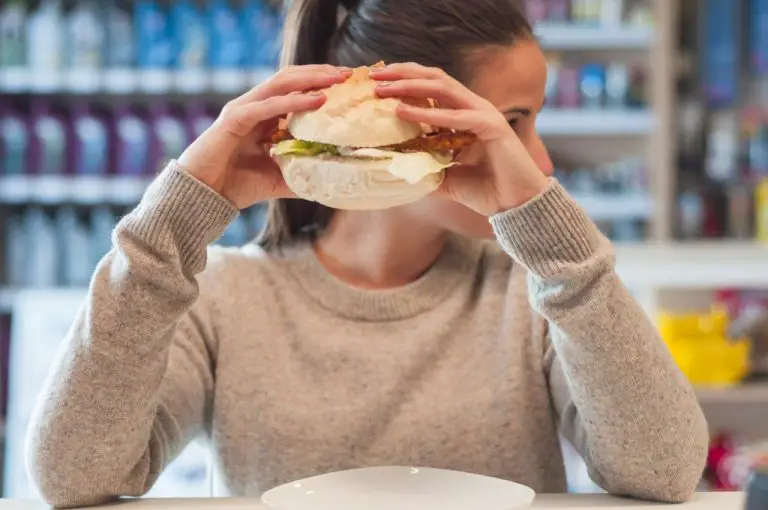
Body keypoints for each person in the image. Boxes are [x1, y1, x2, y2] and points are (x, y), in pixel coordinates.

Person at [26, 0, 709, 507]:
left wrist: (563, 255)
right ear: (410, 124)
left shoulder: (535, 295)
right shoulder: (227, 298)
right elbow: (73, 477)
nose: (539, 161)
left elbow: (663, 469)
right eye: (509, 123)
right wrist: (173, 221)